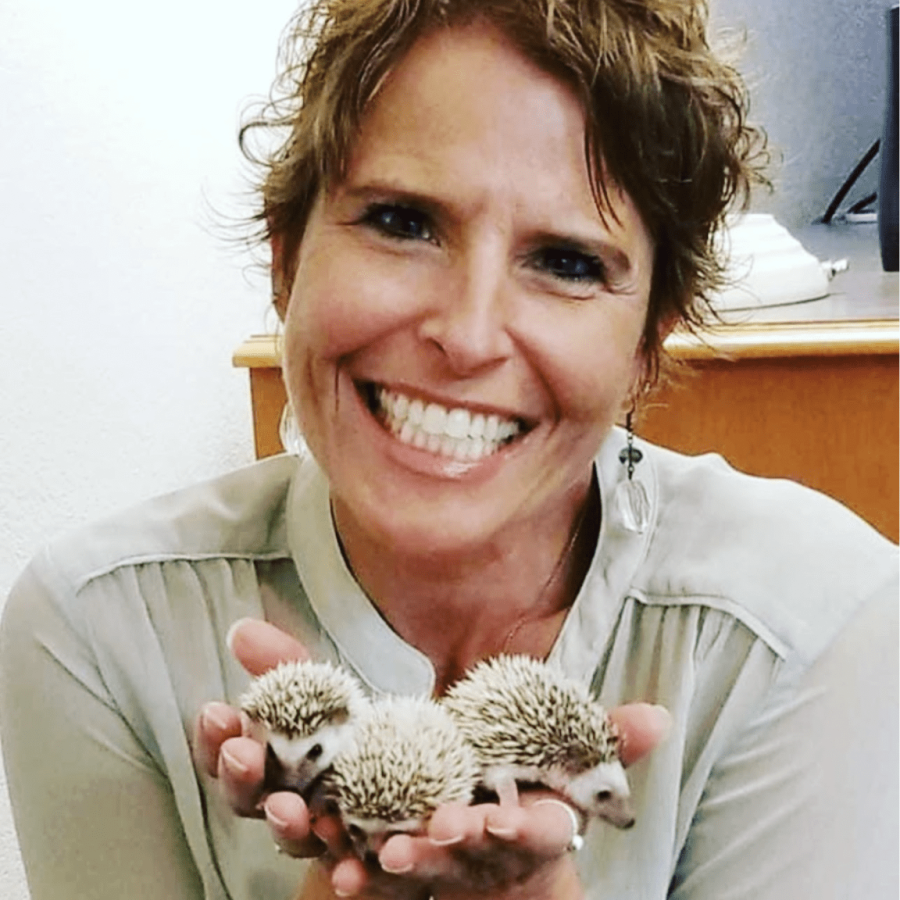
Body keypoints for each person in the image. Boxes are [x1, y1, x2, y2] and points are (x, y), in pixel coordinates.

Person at [1, 0, 896, 898]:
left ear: (646, 347)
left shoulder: (822, 625)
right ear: (286, 260)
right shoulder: (98, 629)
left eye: (569, 263)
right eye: (400, 221)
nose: (467, 336)